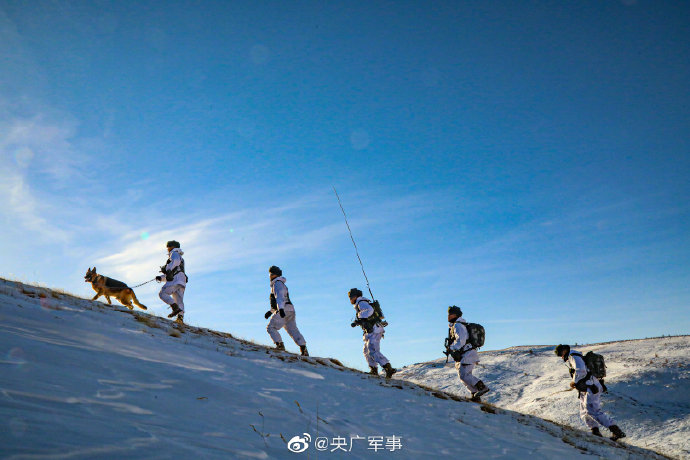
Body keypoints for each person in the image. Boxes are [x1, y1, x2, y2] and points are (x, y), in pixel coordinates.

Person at [555, 344, 626, 440]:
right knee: (584, 412)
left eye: (560, 354)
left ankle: (616, 431)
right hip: (586, 387)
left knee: (593, 410)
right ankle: (595, 431)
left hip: (591, 386)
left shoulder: (573, 356)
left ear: (564, 351)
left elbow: (581, 370)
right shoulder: (574, 356)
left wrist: (574, 382)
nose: (561, 356)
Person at [348, 288, 396, 378]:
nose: (350, 299)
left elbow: (369, 310)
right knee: (366, 351)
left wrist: (359, 318)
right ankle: (373, 369)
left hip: (374, 329)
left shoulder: (361, 302)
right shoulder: (360, 303)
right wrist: (358, 321)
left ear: (355, 296)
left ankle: (388, 368)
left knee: (373, 350)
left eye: (351, 297)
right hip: (371, 330)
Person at [447, 305, 489, 402]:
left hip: (467, 354)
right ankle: (475, 395)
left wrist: (452, 348)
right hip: (467, 354)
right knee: (463, 376)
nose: (449, 316)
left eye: (451, 314)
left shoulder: (458, 325)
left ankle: (482, 387)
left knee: (464, 375)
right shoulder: (458, 325)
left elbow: (461, 341)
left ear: (456, 315)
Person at [265, 266, 308, 356]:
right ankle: (303, 348)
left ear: (276, 275)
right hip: (290, 310)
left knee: (271, 327)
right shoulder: (281, 283)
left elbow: (280, 297)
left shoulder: (277, 283)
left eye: (272, 274)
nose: (270, 276)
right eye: (270, 274)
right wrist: (271, 311)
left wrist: (281, 309)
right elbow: (281, 299)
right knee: (292, 329)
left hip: (284, 309)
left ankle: (279, 345)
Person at [156, 240, 187, 323]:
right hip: (181, 281)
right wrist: (161, 278)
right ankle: (180, 318)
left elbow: (174, 265)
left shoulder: (174, 253)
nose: (167, 248)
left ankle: (174, 307)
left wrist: (167, 269)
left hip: (176, 280)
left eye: (169, 246)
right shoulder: (181, 258)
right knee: (179, 299)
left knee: (163, 293)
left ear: (173, 247)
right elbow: (174, 272)